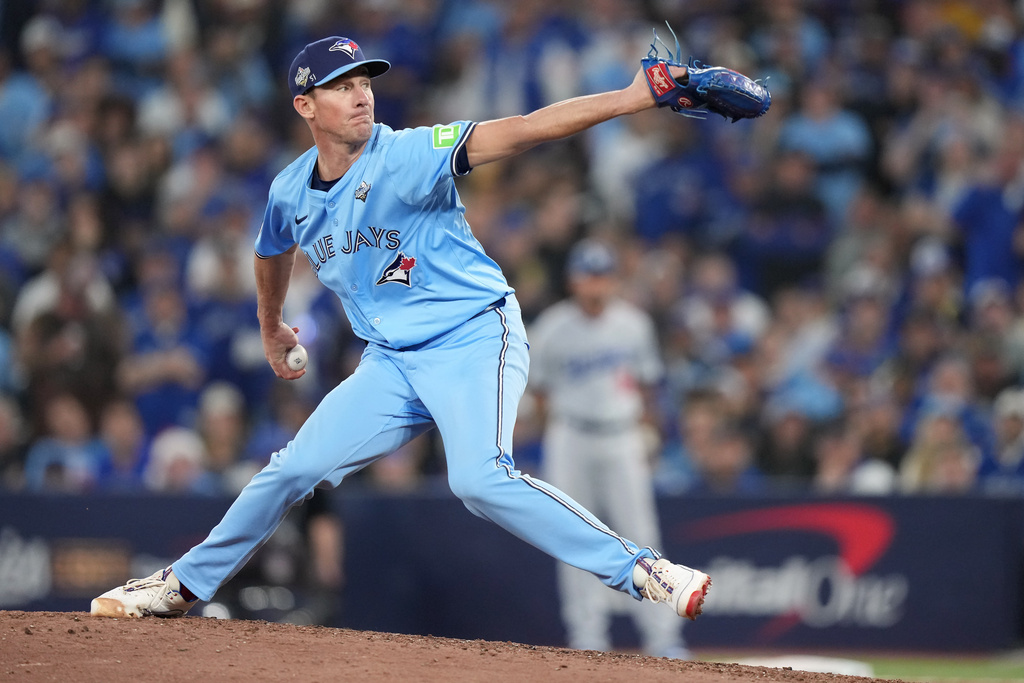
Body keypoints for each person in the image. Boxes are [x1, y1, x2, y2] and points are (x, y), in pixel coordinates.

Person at [90, 35, 713, 624]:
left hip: (472, 334)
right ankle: (181, 586)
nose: (362, 94)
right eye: (341, 86)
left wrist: (633, 98)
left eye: (365, 81)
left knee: (477, 478)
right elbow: (271, 248)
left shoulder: (410, 153)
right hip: (391, 360)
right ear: (305, 105)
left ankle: (641, 569)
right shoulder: (289, 189)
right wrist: (270, 320)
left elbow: (522, 131)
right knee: (290, 469)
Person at [528, 239, 687, 658]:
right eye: (587, 277)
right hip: (571, 435)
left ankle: (663, 637)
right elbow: (539, 393)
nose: (594, 286)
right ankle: (587, 637)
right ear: (572, 280)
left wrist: (646, 435)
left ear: (613, 280)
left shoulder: (633, 323)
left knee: (642, 533)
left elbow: (649, 386)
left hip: (622, 434)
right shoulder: (552, 326)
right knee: (573, 534)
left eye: (601, 277)